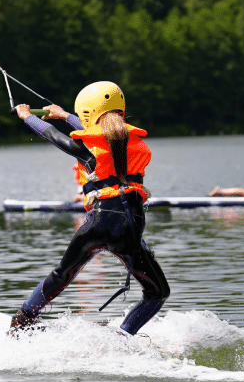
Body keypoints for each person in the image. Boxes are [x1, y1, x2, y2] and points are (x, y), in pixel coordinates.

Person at [12, 81, 169, 335]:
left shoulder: (89, 152)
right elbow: (102, 131)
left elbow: (52, 135)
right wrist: (64, 114)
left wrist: (26, 116)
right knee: (157, 292)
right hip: (129, 231)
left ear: (88, 114)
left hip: (96, 226)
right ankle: (124, 335)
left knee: (62, 275)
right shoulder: (134, 143)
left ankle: (21, 321)